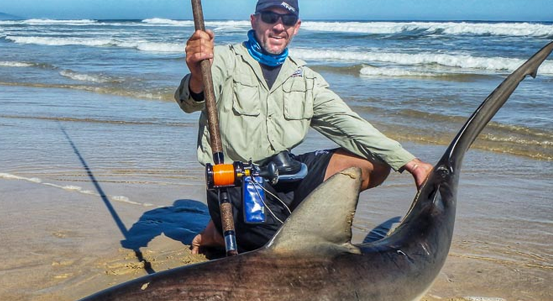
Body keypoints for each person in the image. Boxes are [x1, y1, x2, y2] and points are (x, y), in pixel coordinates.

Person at [175, 0, 434, 254]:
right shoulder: (221, 60)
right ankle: (220, 231)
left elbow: (349, 125)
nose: (279, 26)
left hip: (284, 174)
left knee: (374, 163)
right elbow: (188, 101)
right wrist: (198, 75)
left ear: (296, 26)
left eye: (287, 20)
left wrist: (411, 163)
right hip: (237, 182)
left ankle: (291, 223)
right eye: (270, 17)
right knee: (288, 253)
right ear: (254, 21)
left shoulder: (305, 78)